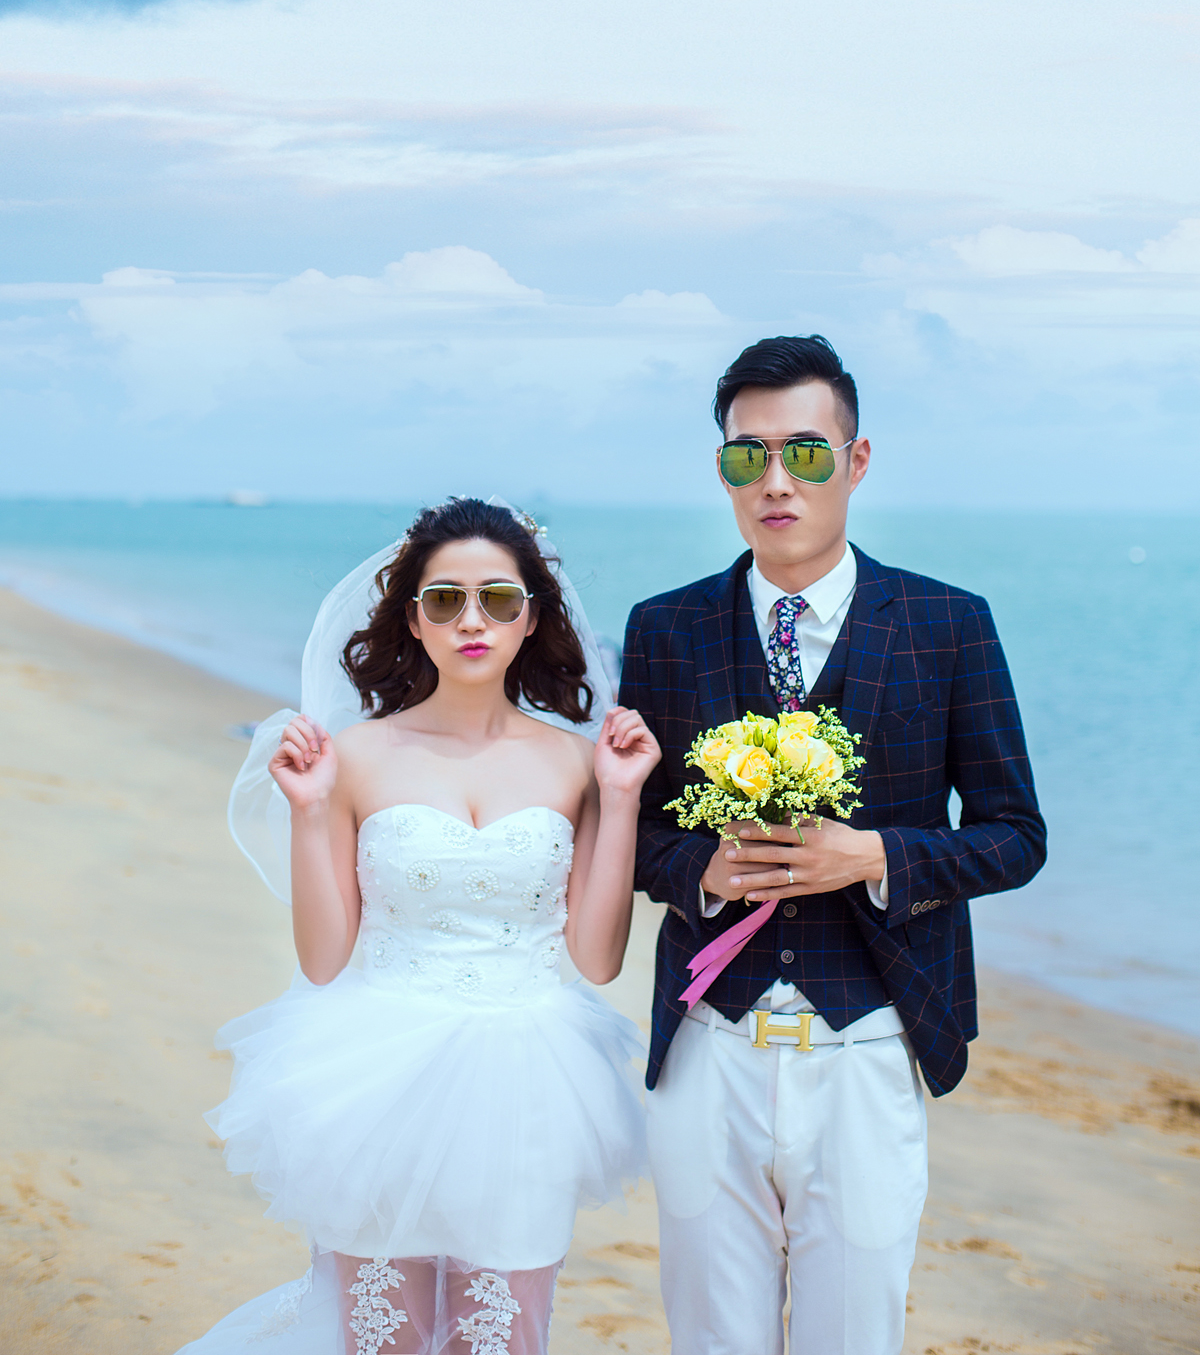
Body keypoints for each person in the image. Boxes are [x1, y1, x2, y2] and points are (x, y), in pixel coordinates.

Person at [621, 334, 1047, 1355]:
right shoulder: (664, 628)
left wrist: (875, 857)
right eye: (747, 455)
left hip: (872, 1038)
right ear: (723, 470)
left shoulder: (948, 624)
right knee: (710, 1337)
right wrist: (701, 869)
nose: (776, 481)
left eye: (805, 453)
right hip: (709, 1041)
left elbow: (1015, 836)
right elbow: (629, 831)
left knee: (853, 1334)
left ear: (855, 463)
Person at [178, 497, 660, 1355]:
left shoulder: (577, 763)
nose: (472, 621)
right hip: (378, 1076)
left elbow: (596, 958)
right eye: (445, 599)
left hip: (531, 1082)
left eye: (498, 600)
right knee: (384, 1338)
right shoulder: (355, 756)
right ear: (413, 617)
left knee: (502, 1337)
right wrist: (309, 810)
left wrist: (621, 801)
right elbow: (323, 959)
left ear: (532, 617)